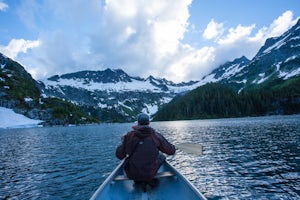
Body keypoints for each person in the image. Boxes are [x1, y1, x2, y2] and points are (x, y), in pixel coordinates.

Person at [115, 113, 176, 185]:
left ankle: (139, 179)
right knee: (161, 156)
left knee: (129, 159)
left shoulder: (128, 136)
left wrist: (123, 142)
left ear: (138, 123)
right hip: (150, 173)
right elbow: (171, 151)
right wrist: (172, 146)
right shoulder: (156, 136)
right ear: (149, 123)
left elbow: (119, 156)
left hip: (132, 174)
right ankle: (149, 179)